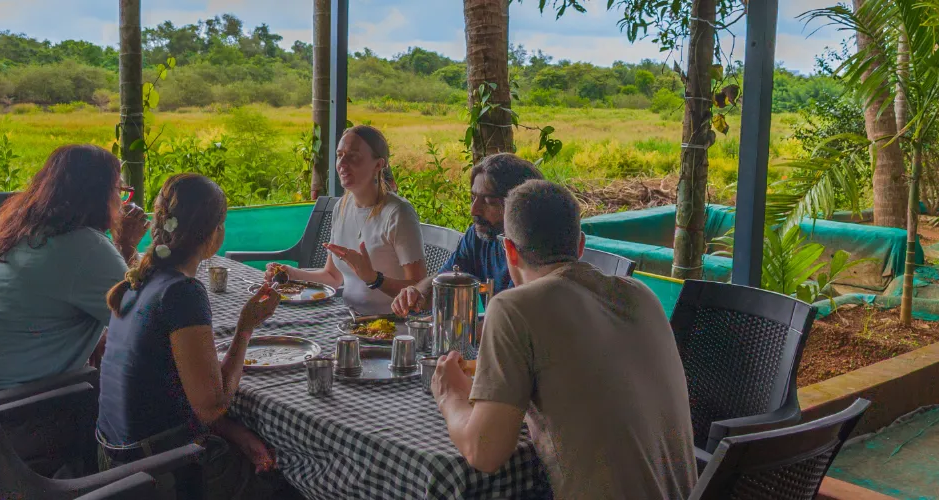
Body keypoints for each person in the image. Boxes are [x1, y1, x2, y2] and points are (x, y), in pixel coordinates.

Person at [431, 180, 696, 499]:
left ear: (510, 251)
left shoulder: (515, 308)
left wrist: (449, 394)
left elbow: (483, 452)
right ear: (580, 245)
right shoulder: (642, 295)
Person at [97, 173, 298, 499]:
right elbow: (213, 406)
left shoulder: (142, 277)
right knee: (291, 476)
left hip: (114, 460)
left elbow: (166, 391)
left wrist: (236, 433)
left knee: (253, 443)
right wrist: (246, 327)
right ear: (215, 233)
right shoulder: (182, 292)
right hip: (155, 474)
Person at [0, 144, 148, 391]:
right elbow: (141, 324)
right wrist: (125, 244)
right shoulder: (84, 246)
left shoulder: (17, 230)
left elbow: (100, 300)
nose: (121, 201)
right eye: (119, 190)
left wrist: (94, 334)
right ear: (98, 194)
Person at [267, 125, 425, 315]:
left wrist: (374, 278)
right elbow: (332, 276)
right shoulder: (342, 206)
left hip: (390, 326)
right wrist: (291, 274)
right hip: (347, 319)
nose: (342, 163)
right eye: (340, 154)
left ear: (378, 165)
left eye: (353, 156)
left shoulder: (398, 213)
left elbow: (418, 288)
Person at [391, 153, 543, 317]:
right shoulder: (478, 235)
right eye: (473, 198)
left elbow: (516, 321)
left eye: (489, 202)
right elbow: (445, 279)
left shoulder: (533, 249)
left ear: (519, 206)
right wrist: (417, 293)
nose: (473, 210)